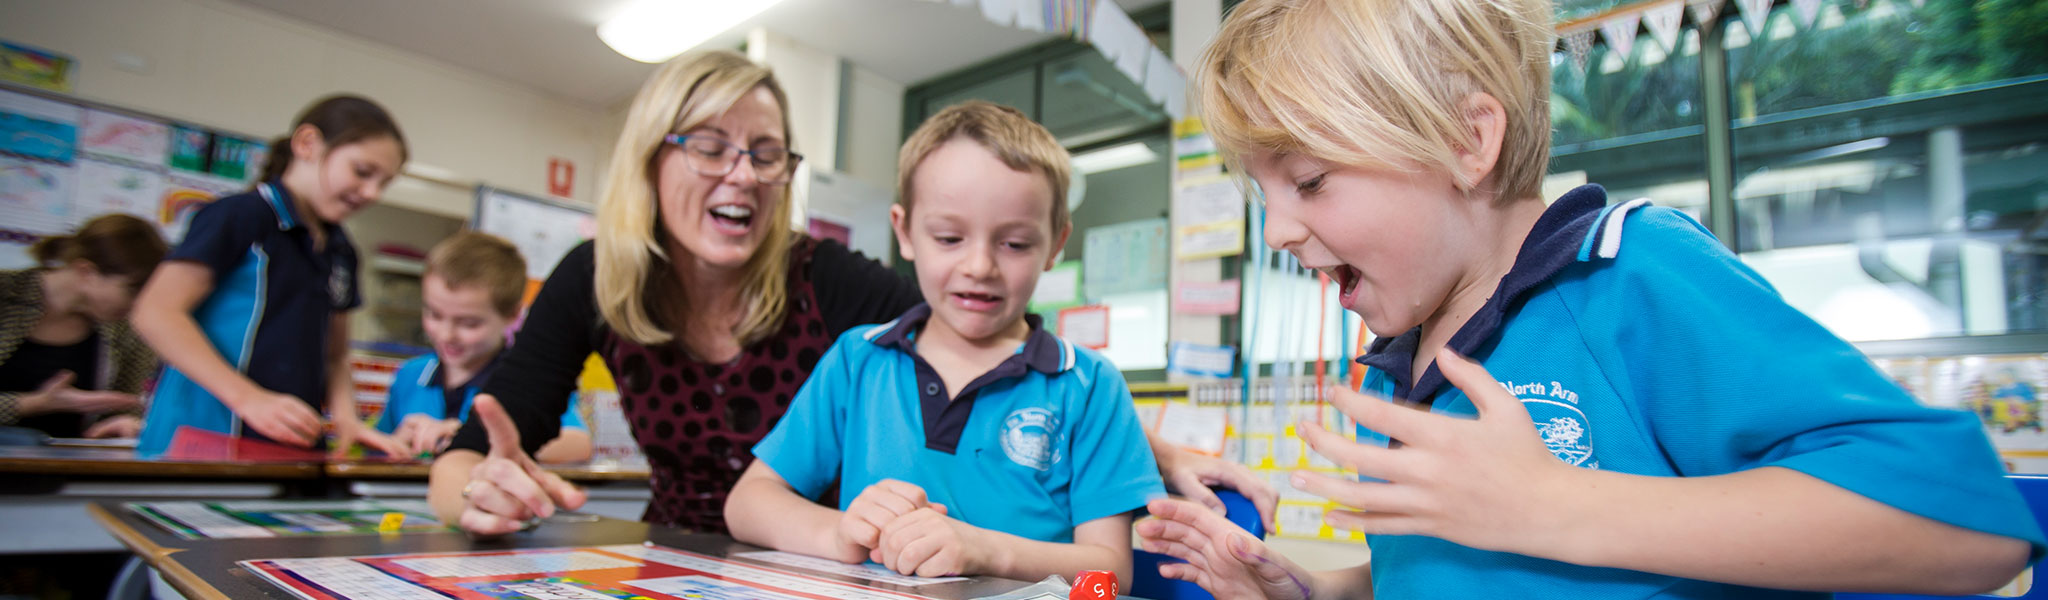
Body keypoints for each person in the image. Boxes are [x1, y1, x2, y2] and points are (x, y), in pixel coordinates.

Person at [1135, 0, 2044, 598]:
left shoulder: (1627, 276)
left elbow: (1966, 527)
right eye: (1264, 195)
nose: (1281, 231)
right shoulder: (1405, 360)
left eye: (1310, 180)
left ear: (1465, 139)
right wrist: (1317, 590)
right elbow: (1463, 570)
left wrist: (1557, 505)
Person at [429, 49, 1275, 538]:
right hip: (680, 558)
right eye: (712, 147)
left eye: (767, 153)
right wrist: (475, 488)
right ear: (652, 157)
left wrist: (1131, 445)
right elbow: (475, 449)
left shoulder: (823, 280)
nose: (744, 174)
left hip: (825, 566)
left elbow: (984, 334)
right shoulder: (594, 276)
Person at [726, 101, 1163, 582]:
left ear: (1056, 245)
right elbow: (748, 503)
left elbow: (1112, 570)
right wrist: (839, 533)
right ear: (905, 232)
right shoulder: (859, 360)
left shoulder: (1090, 384)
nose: (979, 266)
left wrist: (984, 549)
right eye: (949, 238)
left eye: (1014, 244)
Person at [132, 95, 409, 457]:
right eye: (362, 172)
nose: (372, 193)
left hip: (286, 444)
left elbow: (335, 355)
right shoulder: (240, 217)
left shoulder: (341, 250)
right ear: (308, 144)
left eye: (384, 183)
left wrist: (348, 420)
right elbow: (155, 313)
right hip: (201, 438)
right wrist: (249, 399)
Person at [376, 232, 591, 463]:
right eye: (434, 315)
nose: (446, 335)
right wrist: (395, 443)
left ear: (513, 315)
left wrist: (469, 436)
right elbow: (377, 446)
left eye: (469, 323)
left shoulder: (525, 379)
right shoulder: (410, 375)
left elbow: (578, 444)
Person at [0, 214, 166, 438]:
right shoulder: (7, 292)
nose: (140, 304)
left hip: (71, 464)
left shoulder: (128, 329)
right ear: (86, 272)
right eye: (133, 290)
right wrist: (33, 404)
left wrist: (122, 425)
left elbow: (125, 406)